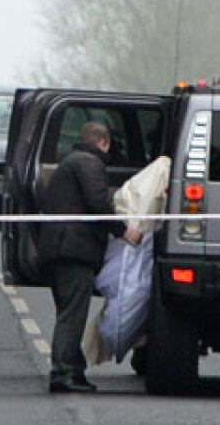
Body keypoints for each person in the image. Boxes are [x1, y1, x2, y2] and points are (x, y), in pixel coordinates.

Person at [37, 121, 142, 393]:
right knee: (72, 315)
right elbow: (97, 203)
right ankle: (62, 373)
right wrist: (123, 231)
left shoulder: (69, 163)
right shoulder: (89, 163)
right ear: (103, 143)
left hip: (57, 248)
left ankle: (75, 369)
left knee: (68, 312)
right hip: (73, 250)